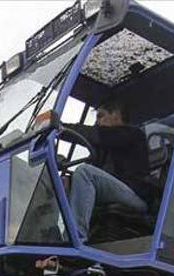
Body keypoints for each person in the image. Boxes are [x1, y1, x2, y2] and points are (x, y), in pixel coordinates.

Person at [62, 100, 151, 242]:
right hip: (113, 192)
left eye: (100, 116)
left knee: (85, 172)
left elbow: (95, 135)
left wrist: (59, 128)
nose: (97, 122)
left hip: (134, 196)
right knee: (63, 181)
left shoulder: (132, 134)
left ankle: (74, 240)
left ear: (116, 115)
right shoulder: (101, 150)